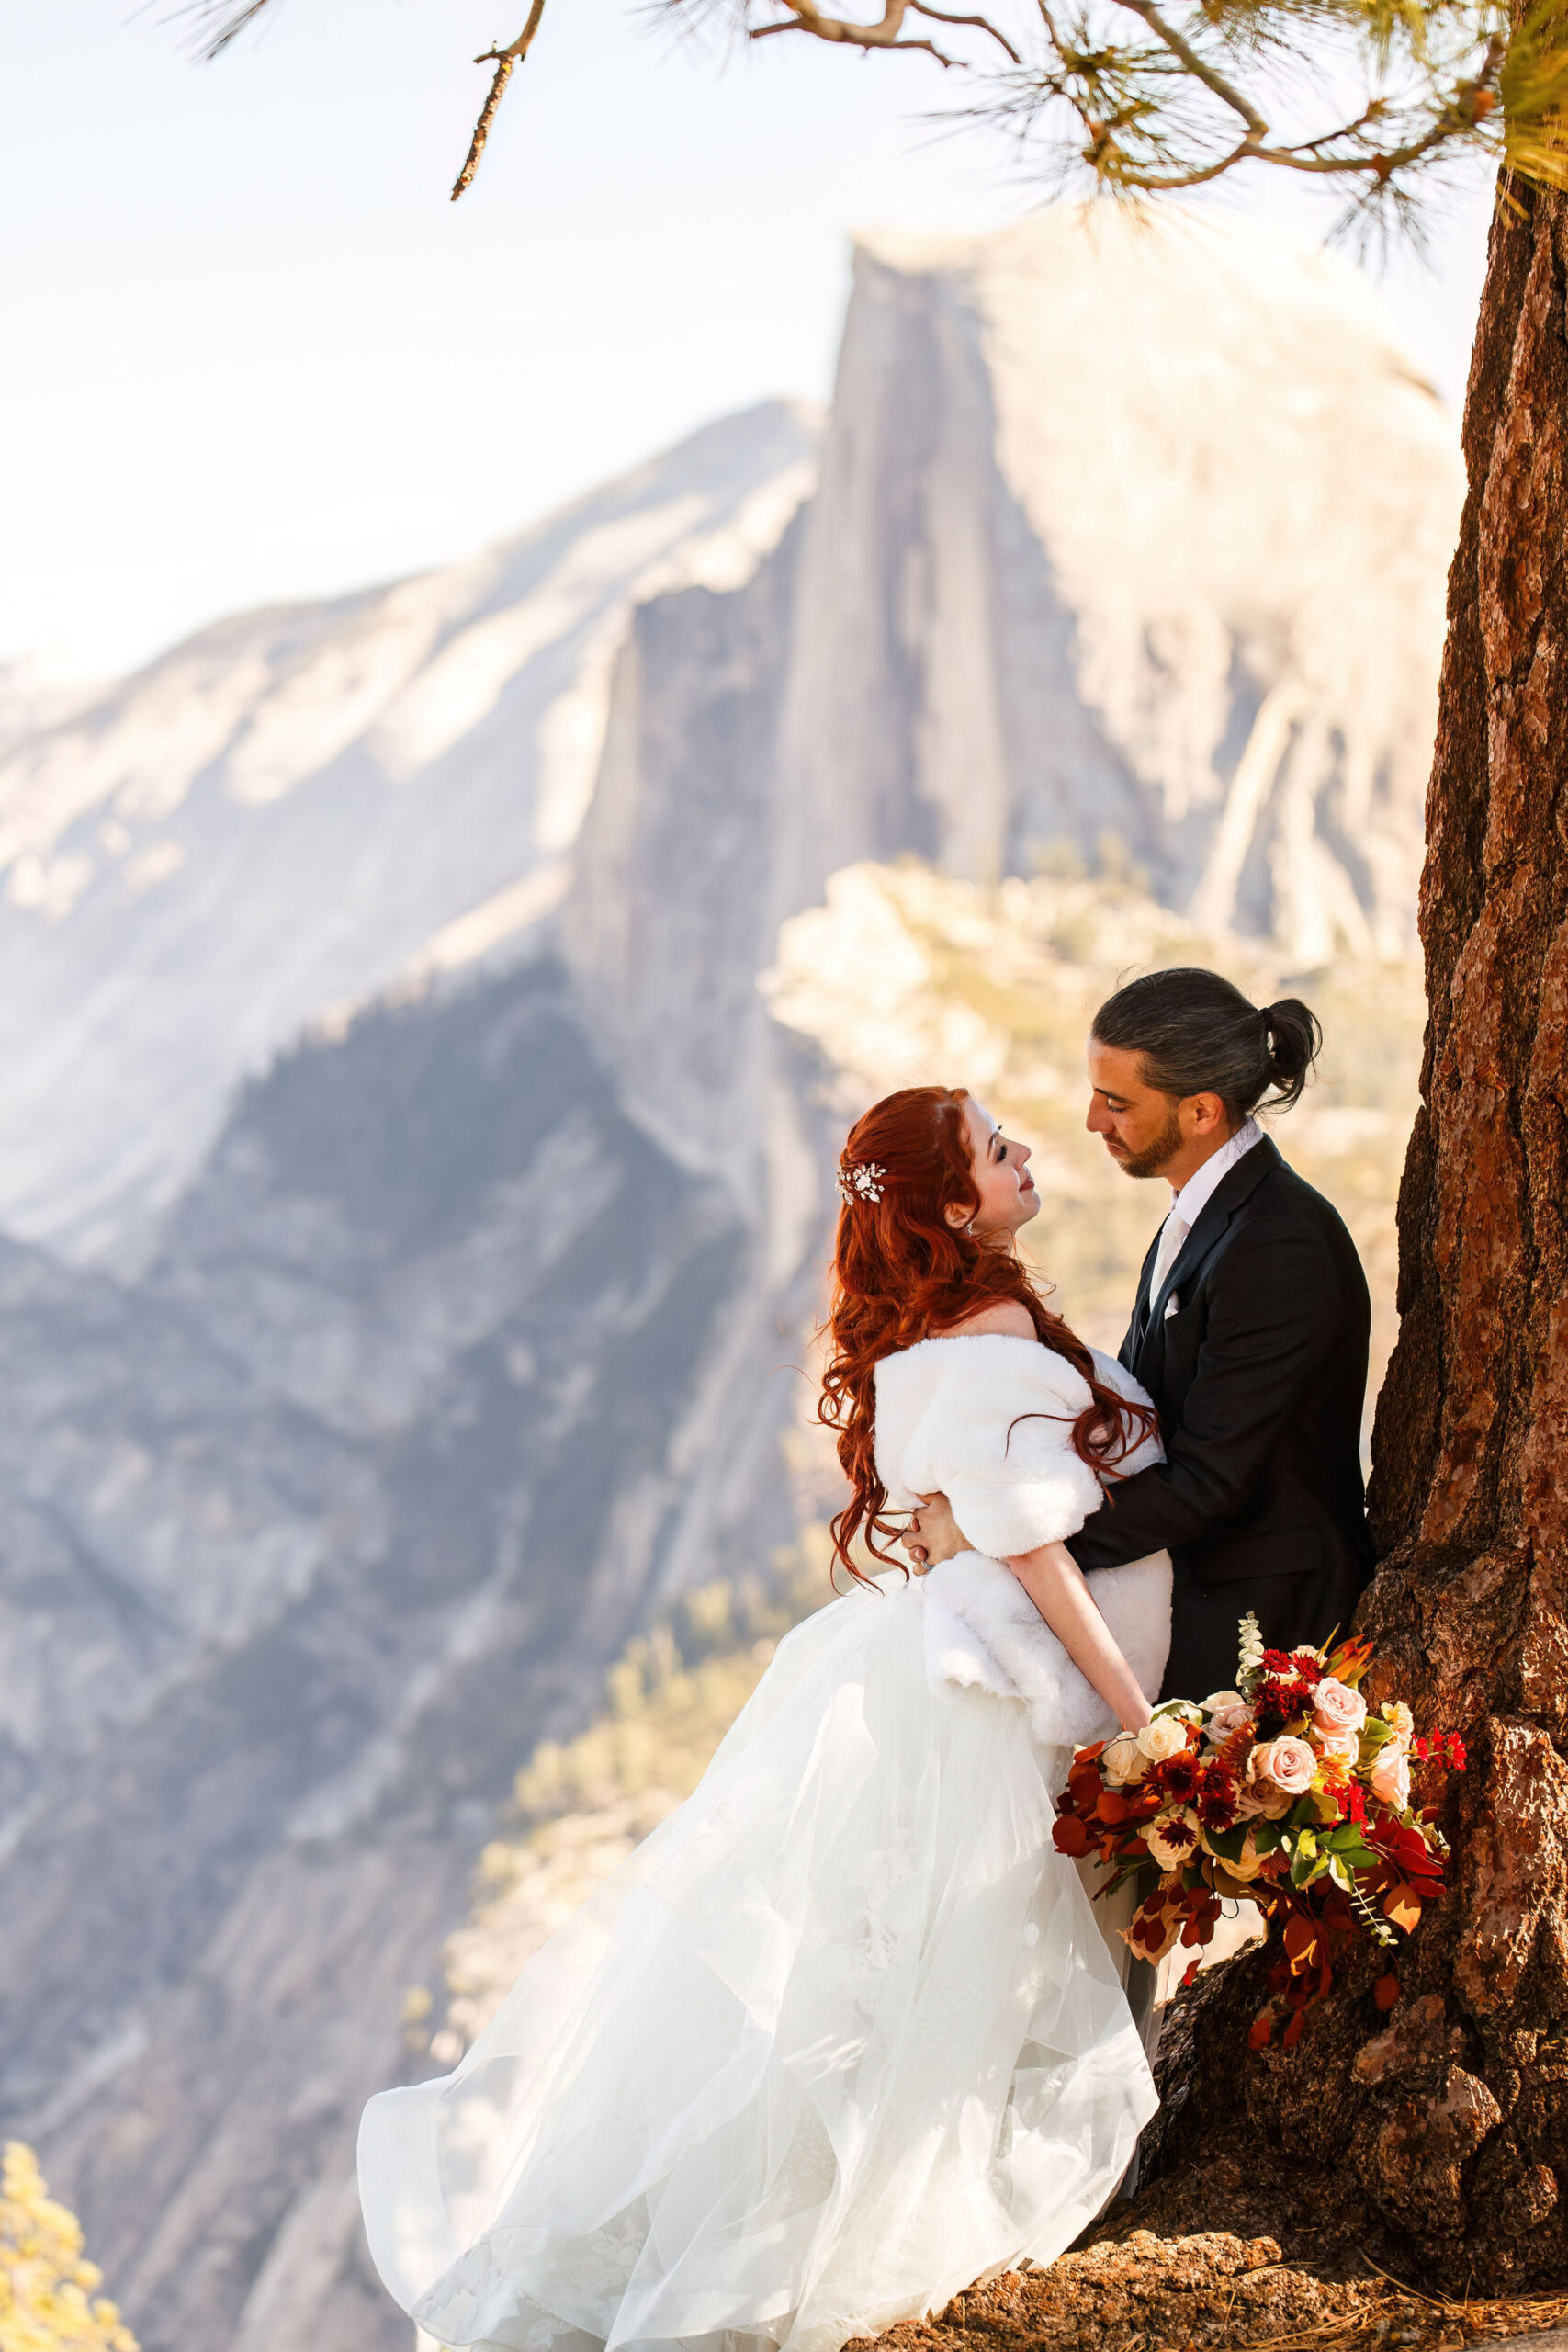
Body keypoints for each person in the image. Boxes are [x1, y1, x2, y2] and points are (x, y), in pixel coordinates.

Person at [357, 1085, 1175, 2352]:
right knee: (951, 1970)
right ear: (955, 1207)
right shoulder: (997, 1322)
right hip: (985, 1686)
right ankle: (847, 2245)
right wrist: (1141, 1720)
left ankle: (775, 2234)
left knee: (873, 1978)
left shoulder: (933, 1332)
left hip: (927, 1666)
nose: (1027, 1154)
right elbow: (1029, 1551)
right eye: (996, 1150)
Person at [906, 969, 1374, 1706]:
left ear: (1200, 1111)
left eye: (1117, 1102)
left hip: (1261, 1626)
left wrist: (1000, 1536)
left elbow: (1207, 1480)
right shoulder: (1198, 1218)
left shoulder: (1279, 1242)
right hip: (1190, 1601)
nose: (1092, 1120)